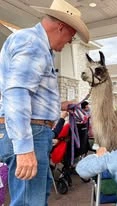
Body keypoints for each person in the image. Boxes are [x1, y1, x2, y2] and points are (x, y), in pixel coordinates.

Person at [0, 0, 89, 205]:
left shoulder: (34, 44)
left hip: (34, 130)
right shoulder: (34, 44)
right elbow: (18, 93)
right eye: (71, 37)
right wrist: (24, 148)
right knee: (30, 201)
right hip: (31, 132)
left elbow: (28, 93)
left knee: (35, 198)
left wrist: (60, 105)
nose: (68, 42)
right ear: (61, 27)